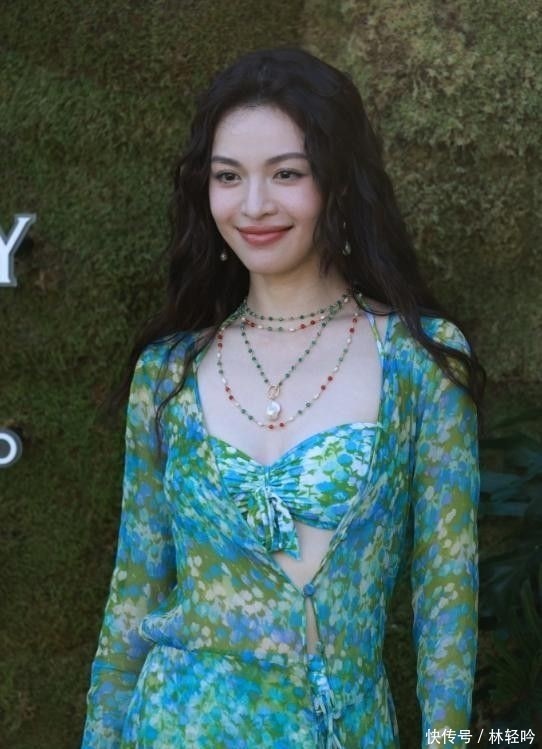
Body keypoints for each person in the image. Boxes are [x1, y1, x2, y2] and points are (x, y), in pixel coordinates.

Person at [81, 47, 484, 749]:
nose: (254, 205)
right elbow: (133, 597)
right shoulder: (167, 372)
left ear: (339, 182)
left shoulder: (421, 360)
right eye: (228, 176)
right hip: (169, 726)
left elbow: (447, 599)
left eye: (287, 174)